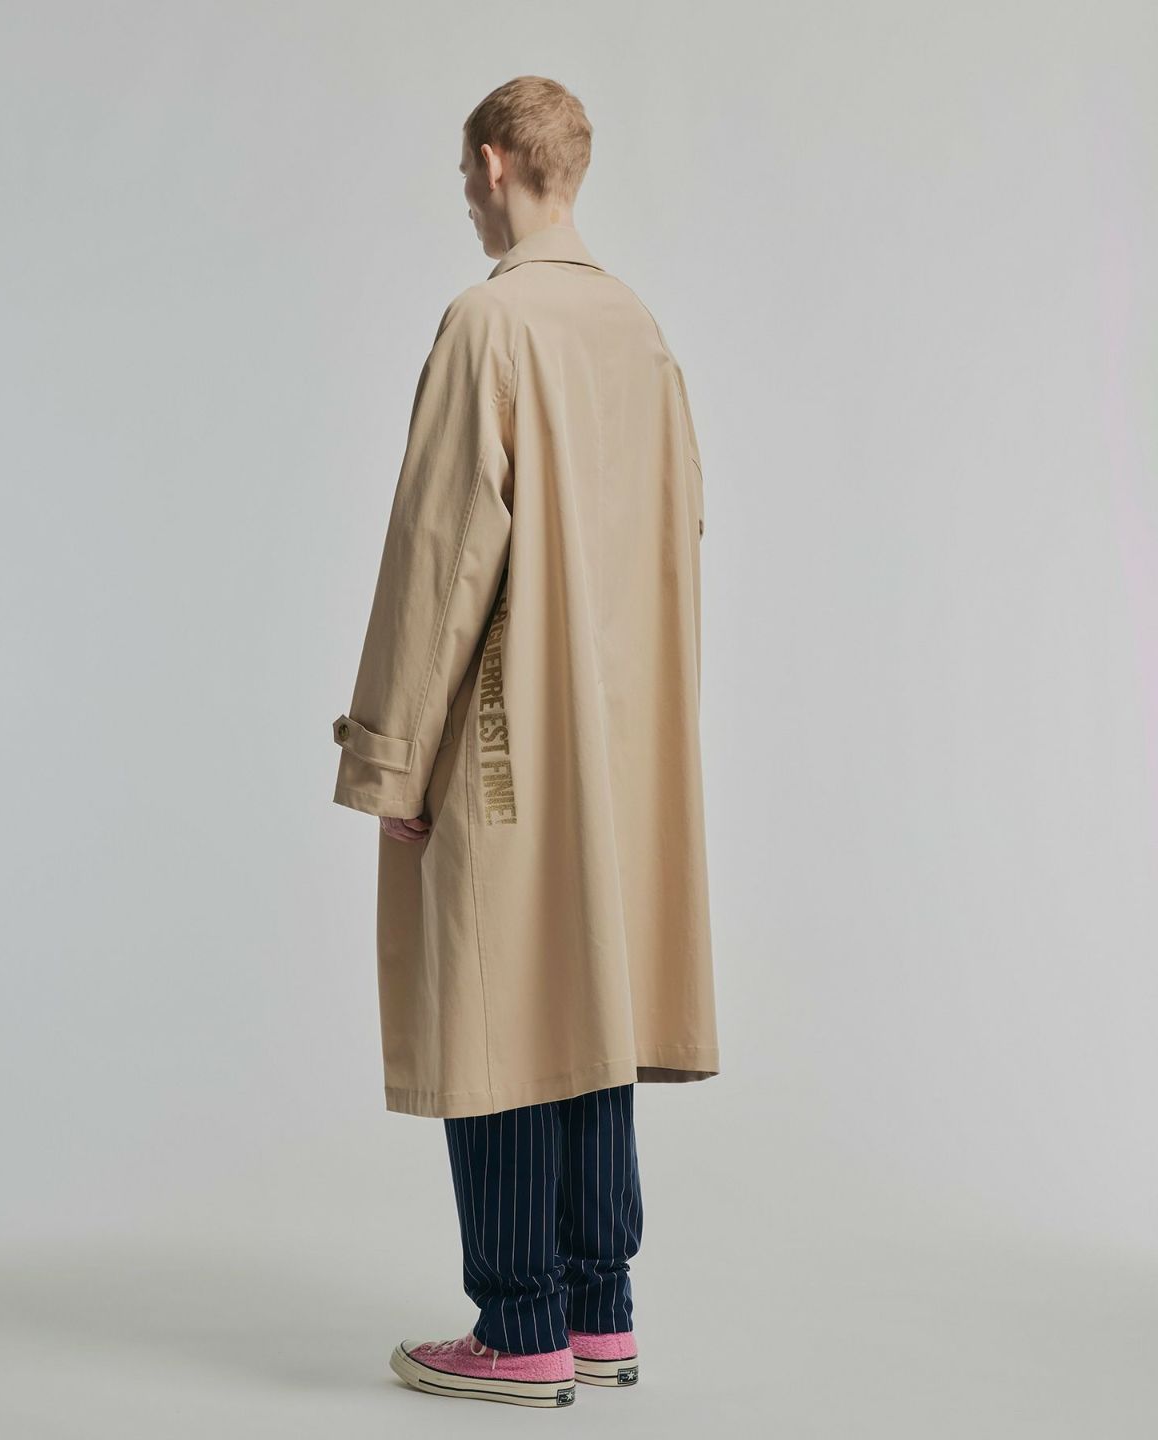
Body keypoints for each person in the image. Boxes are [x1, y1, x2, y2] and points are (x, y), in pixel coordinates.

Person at [331, 75, 719, 1408]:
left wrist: (394, 754)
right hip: (618, 743)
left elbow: (444, 556)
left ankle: (517, 1324)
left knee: (498, 1002)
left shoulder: (489, 323)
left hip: (501, 733)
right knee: (586, 998)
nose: (465, 193)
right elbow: (682, 537)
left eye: (466, 172)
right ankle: (600, 1308)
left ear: (496, 164)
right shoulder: (640, 328)